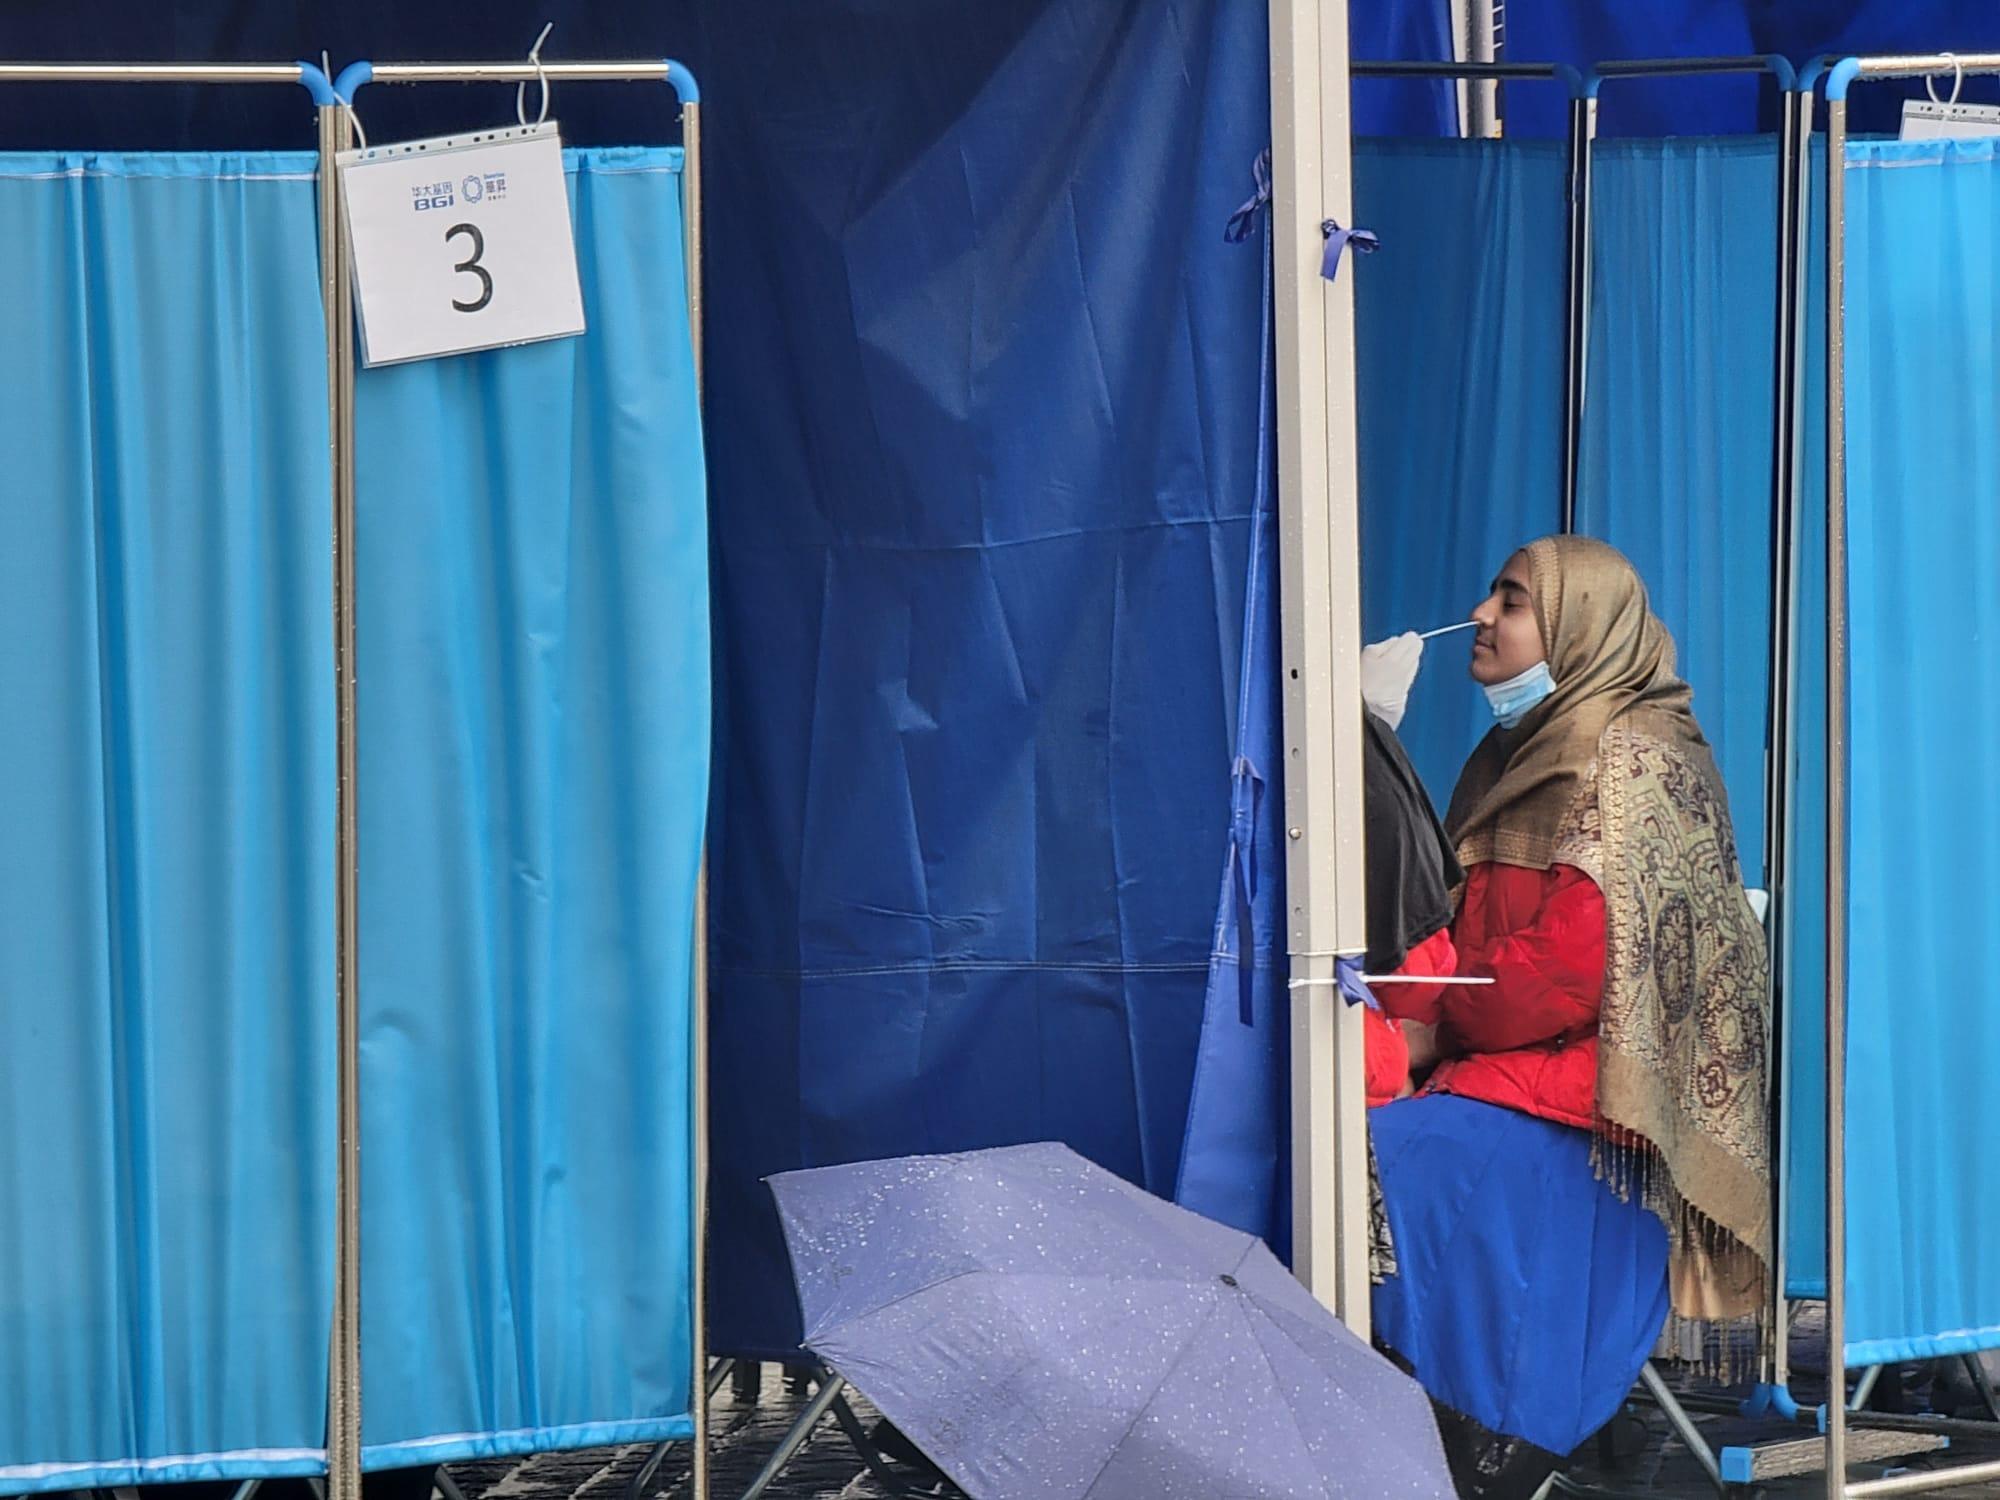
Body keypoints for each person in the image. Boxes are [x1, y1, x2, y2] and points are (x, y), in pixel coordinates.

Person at [1361, 537, 1771, 1500]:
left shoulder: (1634, 765)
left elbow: (1566, 972)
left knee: (1367, 1168)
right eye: (1491, 593)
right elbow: (1451, 926)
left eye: (1512, 600)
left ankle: (1456, 1443)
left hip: (1584, 1118)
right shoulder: (1513, 756)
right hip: (1501, 1083)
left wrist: (1432, 1021)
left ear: (1579, 627)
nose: (1482, 614)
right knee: (1332, 1151)